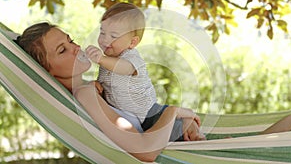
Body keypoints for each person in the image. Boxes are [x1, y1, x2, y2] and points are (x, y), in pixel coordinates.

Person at [15, 22, 203, 162]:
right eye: (62, 50)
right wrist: (173, 112)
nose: (75, 48)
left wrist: (180, 123)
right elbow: (145, 151)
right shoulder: (85, 95)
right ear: (46, 71)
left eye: (70, 40)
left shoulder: (92, 88)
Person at [85, 2, 205, 141]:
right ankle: (186, 121)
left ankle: (194, 130)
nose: (105, 39)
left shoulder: (131, 58)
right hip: (131, 118)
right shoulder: (108, 60)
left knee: (177, 134)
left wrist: (101, 58)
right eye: (102, 32)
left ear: (132, 42)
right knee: (161, 137)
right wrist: (96, 85)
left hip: (149, 113)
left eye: (113, 36)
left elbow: (125, 68)